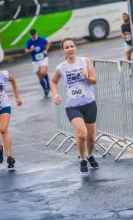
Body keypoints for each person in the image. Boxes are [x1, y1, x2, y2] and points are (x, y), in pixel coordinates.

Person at [51, 38, 99, 174]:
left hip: (89, 104)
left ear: (75, 48)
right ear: (63, 50)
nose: (70, 49)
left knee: (90, 137)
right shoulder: (61, 67)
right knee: (81, 133)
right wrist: (55, 95)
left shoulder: (85, 61)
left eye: (72, 46)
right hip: (73, 106)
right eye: (67, 47)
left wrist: (87, 76)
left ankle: (89, 155)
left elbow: (94, 80)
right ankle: (82, 159)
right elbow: (54, 82)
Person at [25, 29, 51, 97]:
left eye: (34, 34)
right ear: (30, 35)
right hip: (35, 60)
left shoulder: (41, 39)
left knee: (43, 72)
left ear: (36, 33)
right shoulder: (29, 41)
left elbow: (48, 43)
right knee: (40, 76)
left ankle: (48, 83)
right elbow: (26, 51)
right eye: (32, 35)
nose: (34, 36)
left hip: (43, 58)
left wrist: (46, 50)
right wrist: (31, 50)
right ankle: (45, 89)